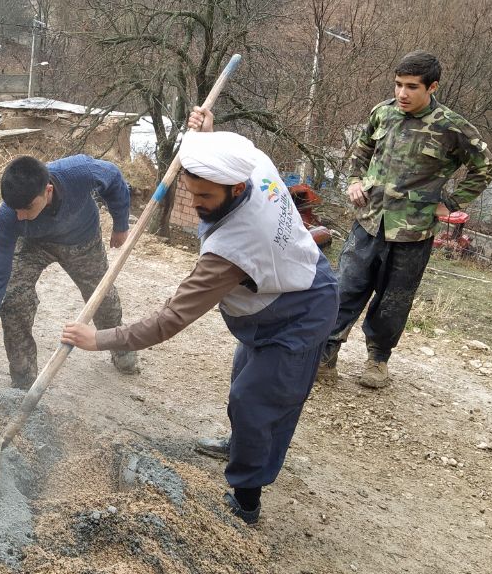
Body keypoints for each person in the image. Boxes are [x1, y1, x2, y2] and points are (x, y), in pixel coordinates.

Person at [61, 110, 338, 525]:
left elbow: (169, 320)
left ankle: (246, 499)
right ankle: (242, 442)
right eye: (192, 194)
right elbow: (225, 154)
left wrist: (98, 339)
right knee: (243, 381)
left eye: (205, 198)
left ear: (237, 188)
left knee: (259, 400)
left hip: (300, 310)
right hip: (275, 292)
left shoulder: (231, 250)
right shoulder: (253, 163)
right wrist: (205, 139)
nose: (196, 204)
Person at [319, 51, 492, 388]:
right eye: (399, 84)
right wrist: (355, 181)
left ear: (432, 87)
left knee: (394, 300)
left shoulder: (450, 126)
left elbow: (485, 166)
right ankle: (326, 355)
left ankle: (377, 361)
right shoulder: (382, 113)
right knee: (345, 288)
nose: (402, 93)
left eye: (412, 87)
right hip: (369, 220)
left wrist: (451, 201)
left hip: (412, 232)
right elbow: (361, 150)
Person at [0, 155, 139, 390]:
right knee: (13, 300)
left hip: (81, 240)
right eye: (16, 210)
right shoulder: (9, 216)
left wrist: (121, 224)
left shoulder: (79, 171)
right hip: (33, 244)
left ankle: (119, 346)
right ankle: (23, 379)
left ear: (48, 190)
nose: (20, 216)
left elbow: (114, 177)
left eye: (27, 208)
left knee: (102, 297)